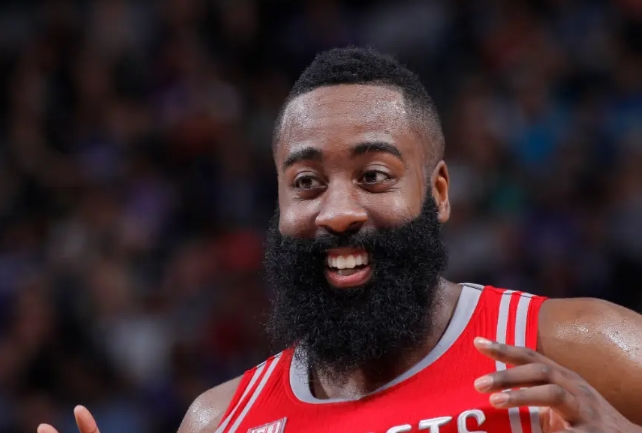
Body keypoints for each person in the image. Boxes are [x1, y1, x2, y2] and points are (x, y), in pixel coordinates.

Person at [38, 47, 642, 433]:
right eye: (307, 183)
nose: (339, 212)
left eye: (373, 175)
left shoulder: (577, 346)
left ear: (437, 192)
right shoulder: (221, 421)